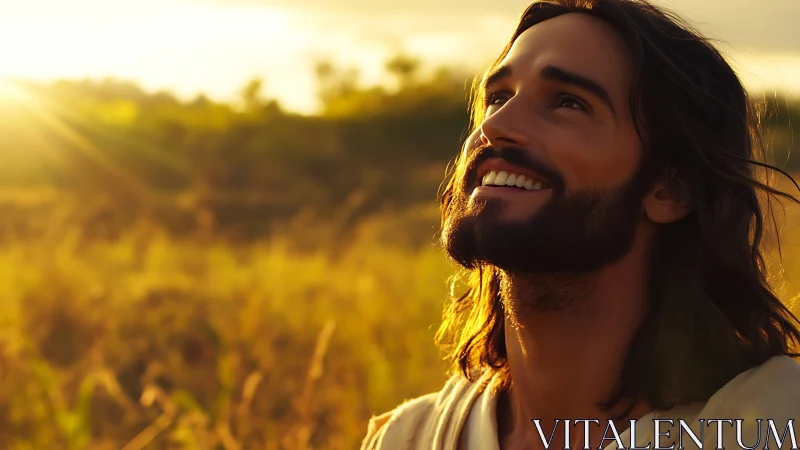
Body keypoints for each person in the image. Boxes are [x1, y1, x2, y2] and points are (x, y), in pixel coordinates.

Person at [360, 0, 800, 449]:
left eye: (568, 102)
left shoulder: (777, 418)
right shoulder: (409, 437)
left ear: (670, 189)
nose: (496, 126)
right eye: (498, 97)